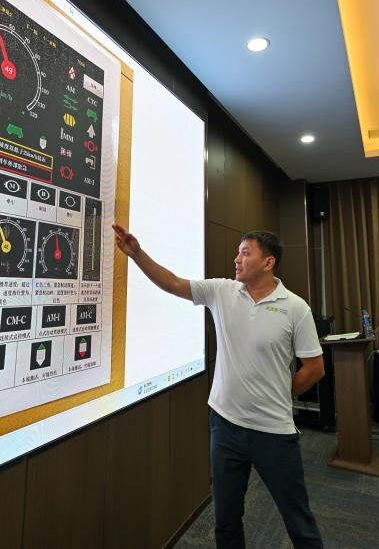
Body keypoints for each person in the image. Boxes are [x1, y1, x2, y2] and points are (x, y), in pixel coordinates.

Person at [112, 225, 325, 549]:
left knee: (299, 522)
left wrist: (282, 392)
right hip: (225, 427)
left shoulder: (295, 307)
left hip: (273, 431)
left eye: (245, 253)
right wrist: (137, 254)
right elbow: (173, 283)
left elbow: (314, 368)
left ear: (268, 263)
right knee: (226, 521)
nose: (236, 259)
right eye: (238, 252)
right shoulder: (222, 291)